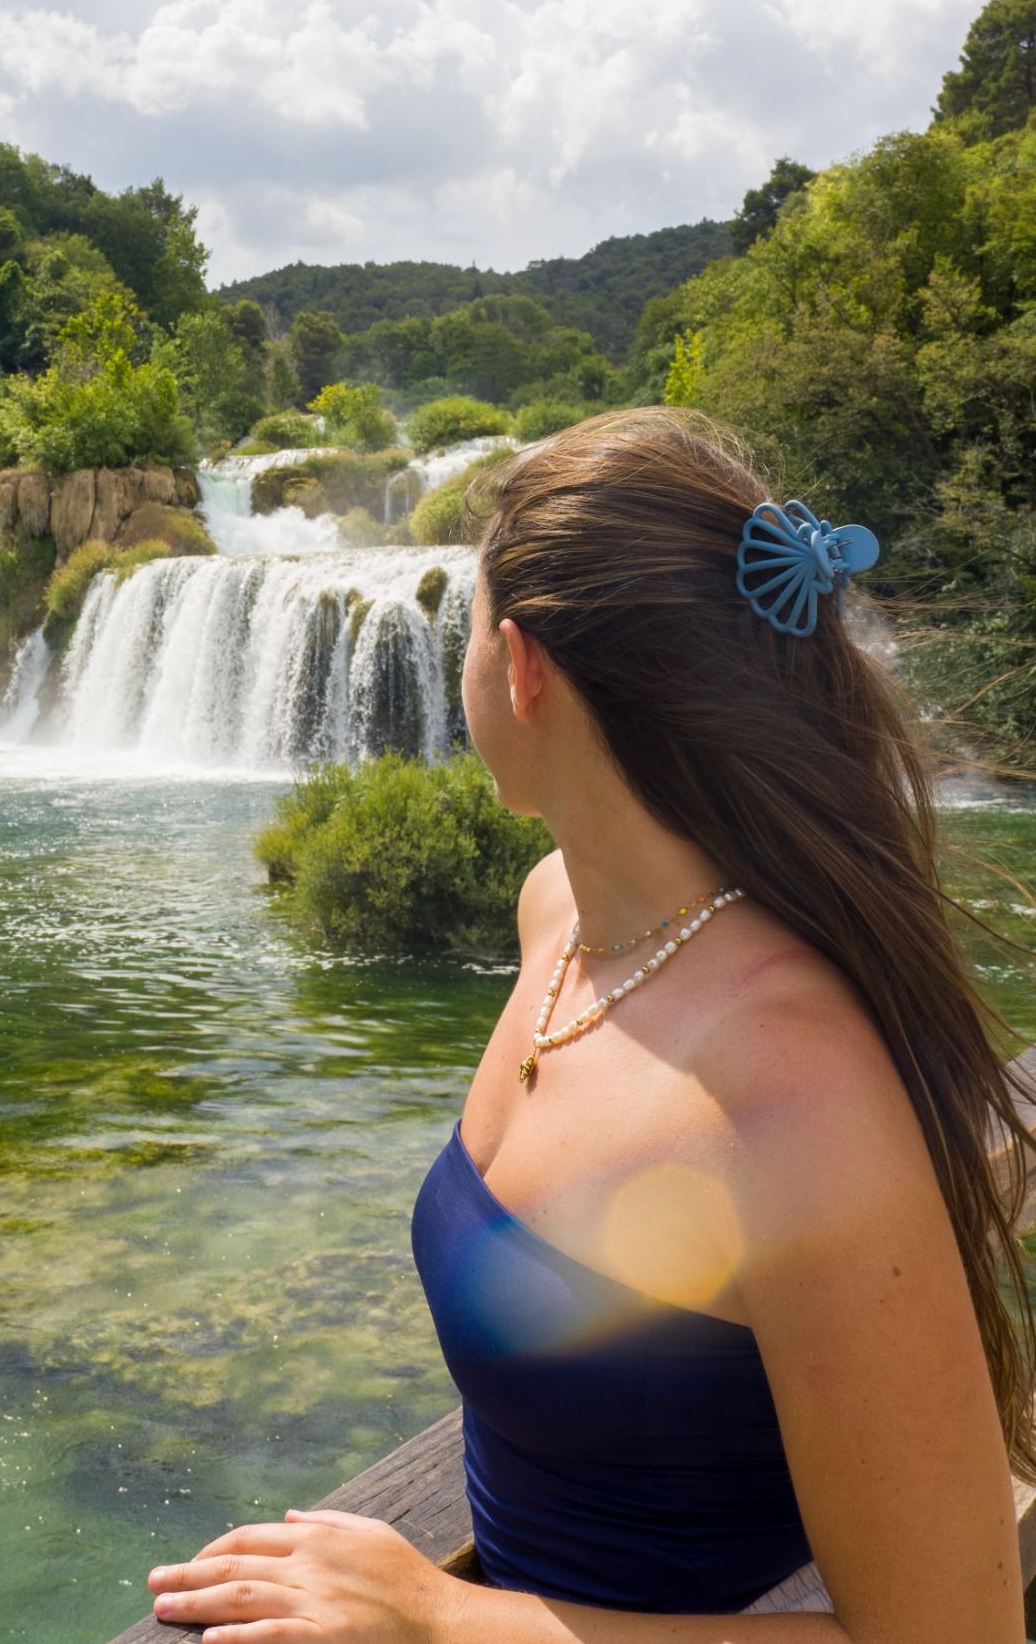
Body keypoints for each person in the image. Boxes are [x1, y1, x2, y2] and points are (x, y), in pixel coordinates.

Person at [144, 407, 1036, 1640]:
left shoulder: (797, 1095)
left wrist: (437, 1617)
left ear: (520, 667)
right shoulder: (553, 913)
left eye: (466, 630)